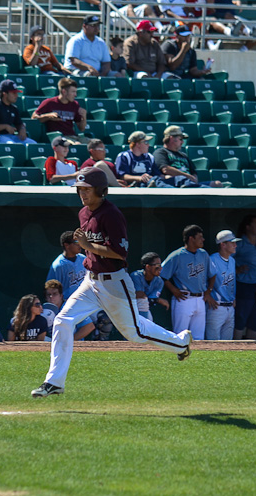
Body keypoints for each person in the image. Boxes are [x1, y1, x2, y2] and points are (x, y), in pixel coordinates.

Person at [31, 167, 192, 398]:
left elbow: (119, 253)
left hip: (114, 282)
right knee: (62, 321)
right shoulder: (84, 213)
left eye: (87, 189)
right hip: (91, 281)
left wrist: (87, 246)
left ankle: (181, 342)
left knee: (135, 333)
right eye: (79, 189)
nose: (82, 193)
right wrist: (88, 250)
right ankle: (54, 382)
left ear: (100, 190)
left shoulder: (112, 214)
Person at [161, 225, 212, 340]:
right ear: (191, 238)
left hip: (200, 298)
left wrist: (209, 291)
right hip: (184, 299)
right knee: (180, 336)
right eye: (200, 237)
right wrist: (174, 290)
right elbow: (162, 275)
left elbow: (212, 274)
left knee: (199, 337)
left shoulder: (203, 254)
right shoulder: (177, 255)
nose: (203, 240)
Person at [233, 215, 256, 340]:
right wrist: (237, 270)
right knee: (241, 316)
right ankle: (236, 345)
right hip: (244, 284)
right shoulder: (240, 243)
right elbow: (229, 258)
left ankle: (252, 347)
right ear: (248, 227)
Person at [32, 78, 89, 145]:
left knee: (96, 144)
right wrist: (48, 116)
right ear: (64, 91)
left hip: (74, 136)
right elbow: (33, 117)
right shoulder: (49, 102)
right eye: (73, 92)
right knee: (77, 145)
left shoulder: (75, 104)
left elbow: (81, 128)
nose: (75, 95)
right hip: (59, 138)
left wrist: (84, 116)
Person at [206, 230, 240, 340]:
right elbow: (202, 280)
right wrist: (208, 295)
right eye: (232, 242)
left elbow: (231, 283)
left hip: (230, 307)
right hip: (216, 307)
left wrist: (233, 298)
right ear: (223, 244)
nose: (235, 245)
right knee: (213, 343)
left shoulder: (232, 261)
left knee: (228, 344)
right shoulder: (212, 259)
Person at [0, 80, 36, 145]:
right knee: (12, 145)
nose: (16, 95)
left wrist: (22, 128)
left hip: (11, 137)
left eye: (16, 93)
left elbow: (19, 124)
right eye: (13, 93)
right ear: (5, 94)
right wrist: (5, 126)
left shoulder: (13, 108)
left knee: (33, 144)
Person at [47, 231, 87, 300]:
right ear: (66, 245)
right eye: (76, 242)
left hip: (85, 300)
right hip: (68, 303)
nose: (79, 245)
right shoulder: (58, 266)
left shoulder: (83, 258)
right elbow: (51, 289)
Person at [131, 251, 169, 321]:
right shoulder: (136, 276)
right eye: (157, 266)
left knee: (149, 320)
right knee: (142, 301)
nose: (160, 268)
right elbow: (139, 295)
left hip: (143, 309)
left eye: (160, 266)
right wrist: (159, 300)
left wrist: (155, 300)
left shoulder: (159, 281)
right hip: (129, 308)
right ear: (148, 267)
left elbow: (151, 300)